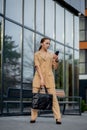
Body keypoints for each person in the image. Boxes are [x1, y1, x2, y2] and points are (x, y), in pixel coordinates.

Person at [30, 37, 62, 124]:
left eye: (49, 44)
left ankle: (58, 118)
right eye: (46, 43)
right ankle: (33, 117)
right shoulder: (37, 54)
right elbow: (37, 66)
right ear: (41, 43)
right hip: (38, 78)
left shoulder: (51, 55)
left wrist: (56, 59)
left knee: (54, 99)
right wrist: (41, 79)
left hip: (49, 79)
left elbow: (55, 68)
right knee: (35, 98)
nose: (48, 45)